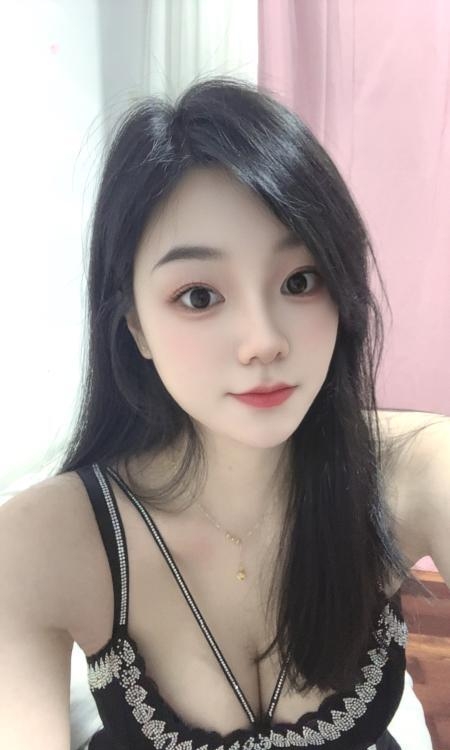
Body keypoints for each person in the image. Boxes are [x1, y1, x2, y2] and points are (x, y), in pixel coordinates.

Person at [1, 76, 448, 750]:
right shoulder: (46, 541)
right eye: (200, 296)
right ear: (135, 325)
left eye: (300, 281)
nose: (263, 340)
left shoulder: (416, 470)